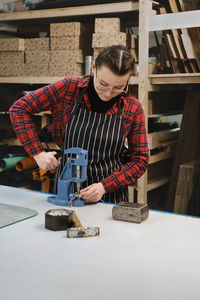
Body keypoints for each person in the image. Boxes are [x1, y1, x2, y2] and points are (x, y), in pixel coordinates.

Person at [9, 45, 149, 203]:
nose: (108, 93)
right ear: (94, 67)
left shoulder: (132, 108)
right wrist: (37, 153)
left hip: (109, 195)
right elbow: (19, 109)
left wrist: (104, 186)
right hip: (66, 190)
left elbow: (140, 159)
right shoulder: (68, 89)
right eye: (103, 84)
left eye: (118, 88)